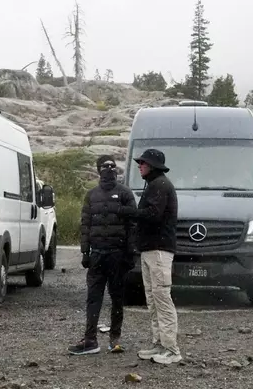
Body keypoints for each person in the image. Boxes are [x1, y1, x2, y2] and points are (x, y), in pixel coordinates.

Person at [117, 148, 182, 365]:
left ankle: (172, 349)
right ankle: (159, 343)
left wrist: (129, 212)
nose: (139, 166)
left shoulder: (160, 185)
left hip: (159, 250)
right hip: (150, 249)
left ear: (152, 166)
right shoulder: (155, 185)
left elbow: (153, 216)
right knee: (153, 298)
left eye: (143, 163)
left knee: (162, 298)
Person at [67, 155, 138, 356]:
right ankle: (90, 339)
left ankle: (115, 338)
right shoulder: (91, 195)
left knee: (117, 297)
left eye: (112, 166)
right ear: (98, 170)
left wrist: (131, 253)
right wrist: (85, 252)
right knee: (93, 298)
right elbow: (85, 225)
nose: (109, 170)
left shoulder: (125, 193)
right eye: (105, 166)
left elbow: (133, 225)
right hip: (97, 254)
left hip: (117, 255)